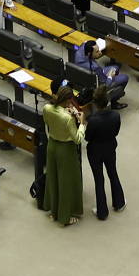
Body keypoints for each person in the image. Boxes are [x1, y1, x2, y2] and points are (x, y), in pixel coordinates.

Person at [40, 93, 87, 226]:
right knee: (65, 183)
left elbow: (48, 121)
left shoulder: (47, 108)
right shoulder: (68, 118)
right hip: (65, 150)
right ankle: (64, 217)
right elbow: (77, 139)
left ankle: (54, 212)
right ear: (67, 100)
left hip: (52, 146)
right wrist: (82, 123)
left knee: (53, 178)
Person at [84, 85, 126, 218]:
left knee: (99, 180)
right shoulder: (116, 116)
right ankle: (119, 203)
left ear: (95, 103)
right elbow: (116, 132)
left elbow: (87, 138)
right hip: (110, 148)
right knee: (113, 173)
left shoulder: (93, 120)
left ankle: (102, 212)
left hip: (95, 152)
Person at [72, 38, 128, 108]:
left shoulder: (80, 51)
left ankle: (116, 92)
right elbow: (105, 84)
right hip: (97, 83)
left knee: (116, 67)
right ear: (89, 53)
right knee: (125, 78)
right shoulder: (95, 67)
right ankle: (114, 100)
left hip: (85, 78)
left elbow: (85, 42)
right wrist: (110, 76)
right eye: (97, 51)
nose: (100, 53)